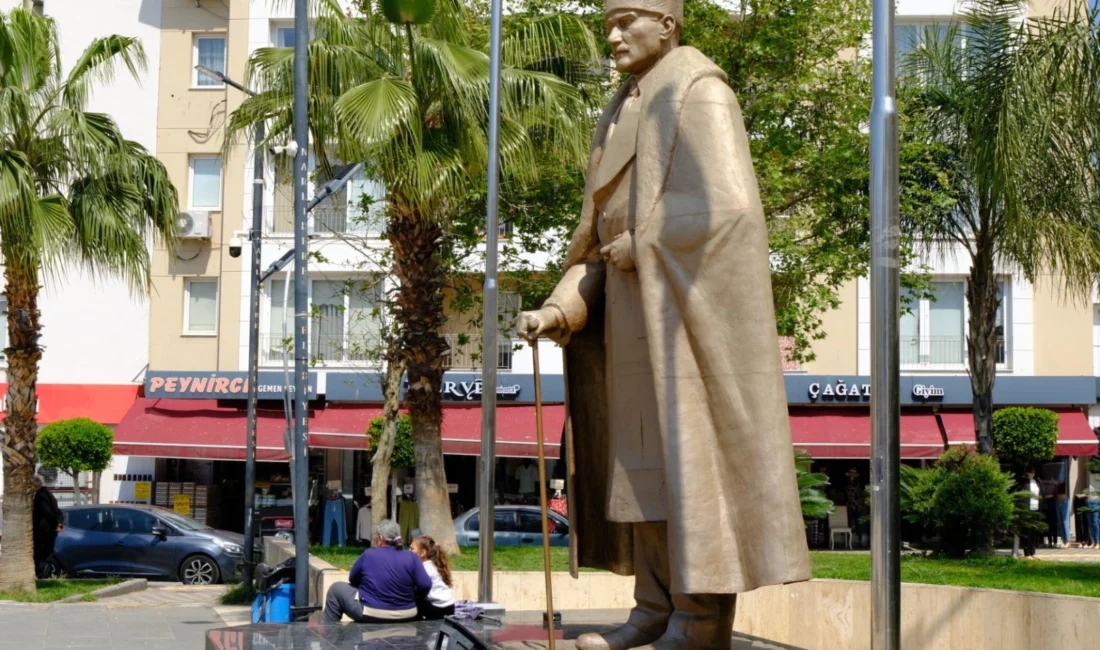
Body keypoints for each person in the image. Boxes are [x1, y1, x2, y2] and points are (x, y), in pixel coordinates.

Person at [515, 0, 811, 645]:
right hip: (629, 316)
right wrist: (560, 308)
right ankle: (653, 607)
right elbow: (599, 239)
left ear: (667, 24)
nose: (614, 37)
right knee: (640, 476)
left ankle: (700, 621)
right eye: (610, 26)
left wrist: (645, 244)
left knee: (687, 473)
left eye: (627, 23)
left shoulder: (696, 88)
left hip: (679, 320)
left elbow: (730, 209)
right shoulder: (626, 101)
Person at [321, 519, 431, 624]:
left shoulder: (369, 554)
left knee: (335, 589)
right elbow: (425, 584)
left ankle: (330, 632)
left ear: (381, 539)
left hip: (371, 612)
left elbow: (353, 579)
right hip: (407, 613)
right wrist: (412, 597)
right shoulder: (412, 557)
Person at [410, 535, 455, 620]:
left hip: (436, 608)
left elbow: (420, 587)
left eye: (412, 549)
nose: (409, 551)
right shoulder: (434, 565)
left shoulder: (424, 568)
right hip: (450, 606)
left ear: (423, 553)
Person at [32, 473, 63, 577]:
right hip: (49, 530)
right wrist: (59, 523)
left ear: (35, 485)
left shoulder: (40, 496)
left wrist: (55, 523)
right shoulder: (49, 494)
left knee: (41, 555)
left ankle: (43, 574)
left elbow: (48, 512)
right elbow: (57, 510)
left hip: (44, 531)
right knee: (47, 553)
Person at [1020, 467, 1042, 558]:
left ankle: (1033, 551)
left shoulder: (1037, 481)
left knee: (1034, 531)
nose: (1032, 474)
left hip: (1035, 508)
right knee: (1026, 531)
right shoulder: (1024, 482)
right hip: (1027, 509)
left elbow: (1041, 494)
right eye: (1030, 472)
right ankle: (1027, 552)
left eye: (1033, 472)